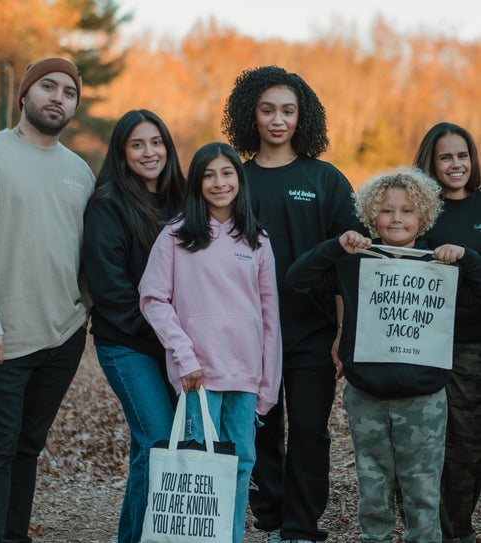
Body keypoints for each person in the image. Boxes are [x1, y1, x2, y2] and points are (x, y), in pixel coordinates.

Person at [286, 169, 481, 543]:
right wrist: (335, 246)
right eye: (387, 211)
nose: (396, 218)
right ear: (371, 214)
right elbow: (297, 278)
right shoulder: (353, 261)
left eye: (407, 211)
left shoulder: (441, 267)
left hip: (424, 399)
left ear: (423, 216)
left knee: (422, 491)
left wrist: (467, 257)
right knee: (373, 490)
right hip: (367, 398)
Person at [0, 57, 95, 542]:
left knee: (29, 447)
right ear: (25, 95)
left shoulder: (79, 171)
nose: (58, 97)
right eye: (48, 87)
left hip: (64, 335)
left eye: (69, 92)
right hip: (2, 335)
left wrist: (87, 311)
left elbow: (87, 249)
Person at [222, 65, 361, 543]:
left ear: (303, 117)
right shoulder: (232, 179)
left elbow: (348, 260)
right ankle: (273, 519)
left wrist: (344, 332)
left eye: (287, 110)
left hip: (312, 331)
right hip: (249, 332)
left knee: (307, 431)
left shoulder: (326, 179)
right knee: (258, 431)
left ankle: (302, 528)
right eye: (267, 110)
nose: (277, 120)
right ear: (251, 116)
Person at [139, 142, 283, 543]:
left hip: (246, 376)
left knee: (239, 465)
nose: (219, 183)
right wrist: (185, 357)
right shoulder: (176, 235)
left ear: (240, 178)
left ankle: (230, 538)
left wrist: (267, 387)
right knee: (199, 469)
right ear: (197, 182)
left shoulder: (258, 240)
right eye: (209, 174)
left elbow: (270, 318)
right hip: (198, 376)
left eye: (227, 173)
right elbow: (153, 298)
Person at [82, 109, 186, 543]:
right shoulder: (107, 205)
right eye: (138, 144)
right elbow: (111, 288)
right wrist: (164, 335)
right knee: (160, 440)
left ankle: (144, 534)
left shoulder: (183, 202)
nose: (150, 152)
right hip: (128, 344)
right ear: (122, 152)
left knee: (154, 445)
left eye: (157, 142)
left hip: (177, 346)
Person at [414, 122, 481, 543]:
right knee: (459, 447)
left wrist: (468, 258)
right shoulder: (420, 212)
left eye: (462, 155)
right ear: (431, 163)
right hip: (449, 348)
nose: (456, 164)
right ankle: (454, 531)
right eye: (445, 157)